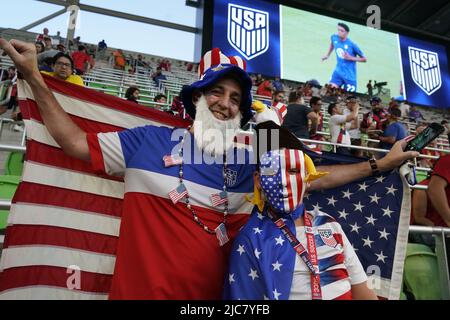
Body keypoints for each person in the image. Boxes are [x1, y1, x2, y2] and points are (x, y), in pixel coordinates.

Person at [0, 39, 419, 299]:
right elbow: (74, 143)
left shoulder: (249, 154)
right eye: (216, 92)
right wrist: (35, 78)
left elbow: (306, 178)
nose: (225, 103)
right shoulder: (146, 140)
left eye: (237, 98)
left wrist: (381, 163)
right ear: (195, 97)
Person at [224, 121, 378, 300]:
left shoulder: (329, 224)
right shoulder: (251, 238)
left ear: (308, 178)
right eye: (273, 172)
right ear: (258, 181)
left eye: (293, 170)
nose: (282, 181)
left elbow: (364, 293)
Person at [322, 22, 366, 92]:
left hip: (349, 76)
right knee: (329, 91)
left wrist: (350, 58)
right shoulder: (334, 37)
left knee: (349, 98)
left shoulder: (352, 45)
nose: (339, 32)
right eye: (338, 30)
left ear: (347, 33)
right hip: (338, 72)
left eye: (342, 31)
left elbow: (364, 59)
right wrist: (327, 55)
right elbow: (332, 43)